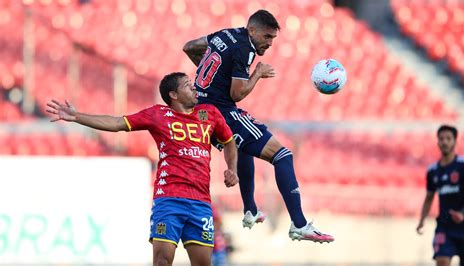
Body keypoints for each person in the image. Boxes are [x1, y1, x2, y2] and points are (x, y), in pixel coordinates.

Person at [46, 72, 239, 266]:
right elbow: (118, 123)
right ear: (174, 95)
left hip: (201, 201)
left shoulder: (209, 113)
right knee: (162, 260)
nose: (194, 87)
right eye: (188, 85)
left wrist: (232, 169)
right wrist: (77, 116)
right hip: (169, 198)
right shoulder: (157, 114)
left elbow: (229, 141)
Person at [183, 9, 334, 243]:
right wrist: (258, 73)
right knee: (282, 155)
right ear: (252, 30)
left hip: (203, 112)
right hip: (222, 112)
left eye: (273, 38)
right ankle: (300, 224)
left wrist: (212, 78)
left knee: (245, 149)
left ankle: (250, 210)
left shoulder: (225, 34)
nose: (270, 43)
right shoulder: (245, 48)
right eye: (266, 37)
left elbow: (190, 46)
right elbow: (238, 92)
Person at [416, 125, 464, 266]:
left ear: (455, 141)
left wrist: (463, 213)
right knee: (441, 259)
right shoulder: (433, 171)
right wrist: (422, 220)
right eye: (441, 139)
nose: (444, 142)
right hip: (445, 226)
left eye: (448, 138)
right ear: (437, 142)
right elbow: (429, 198)